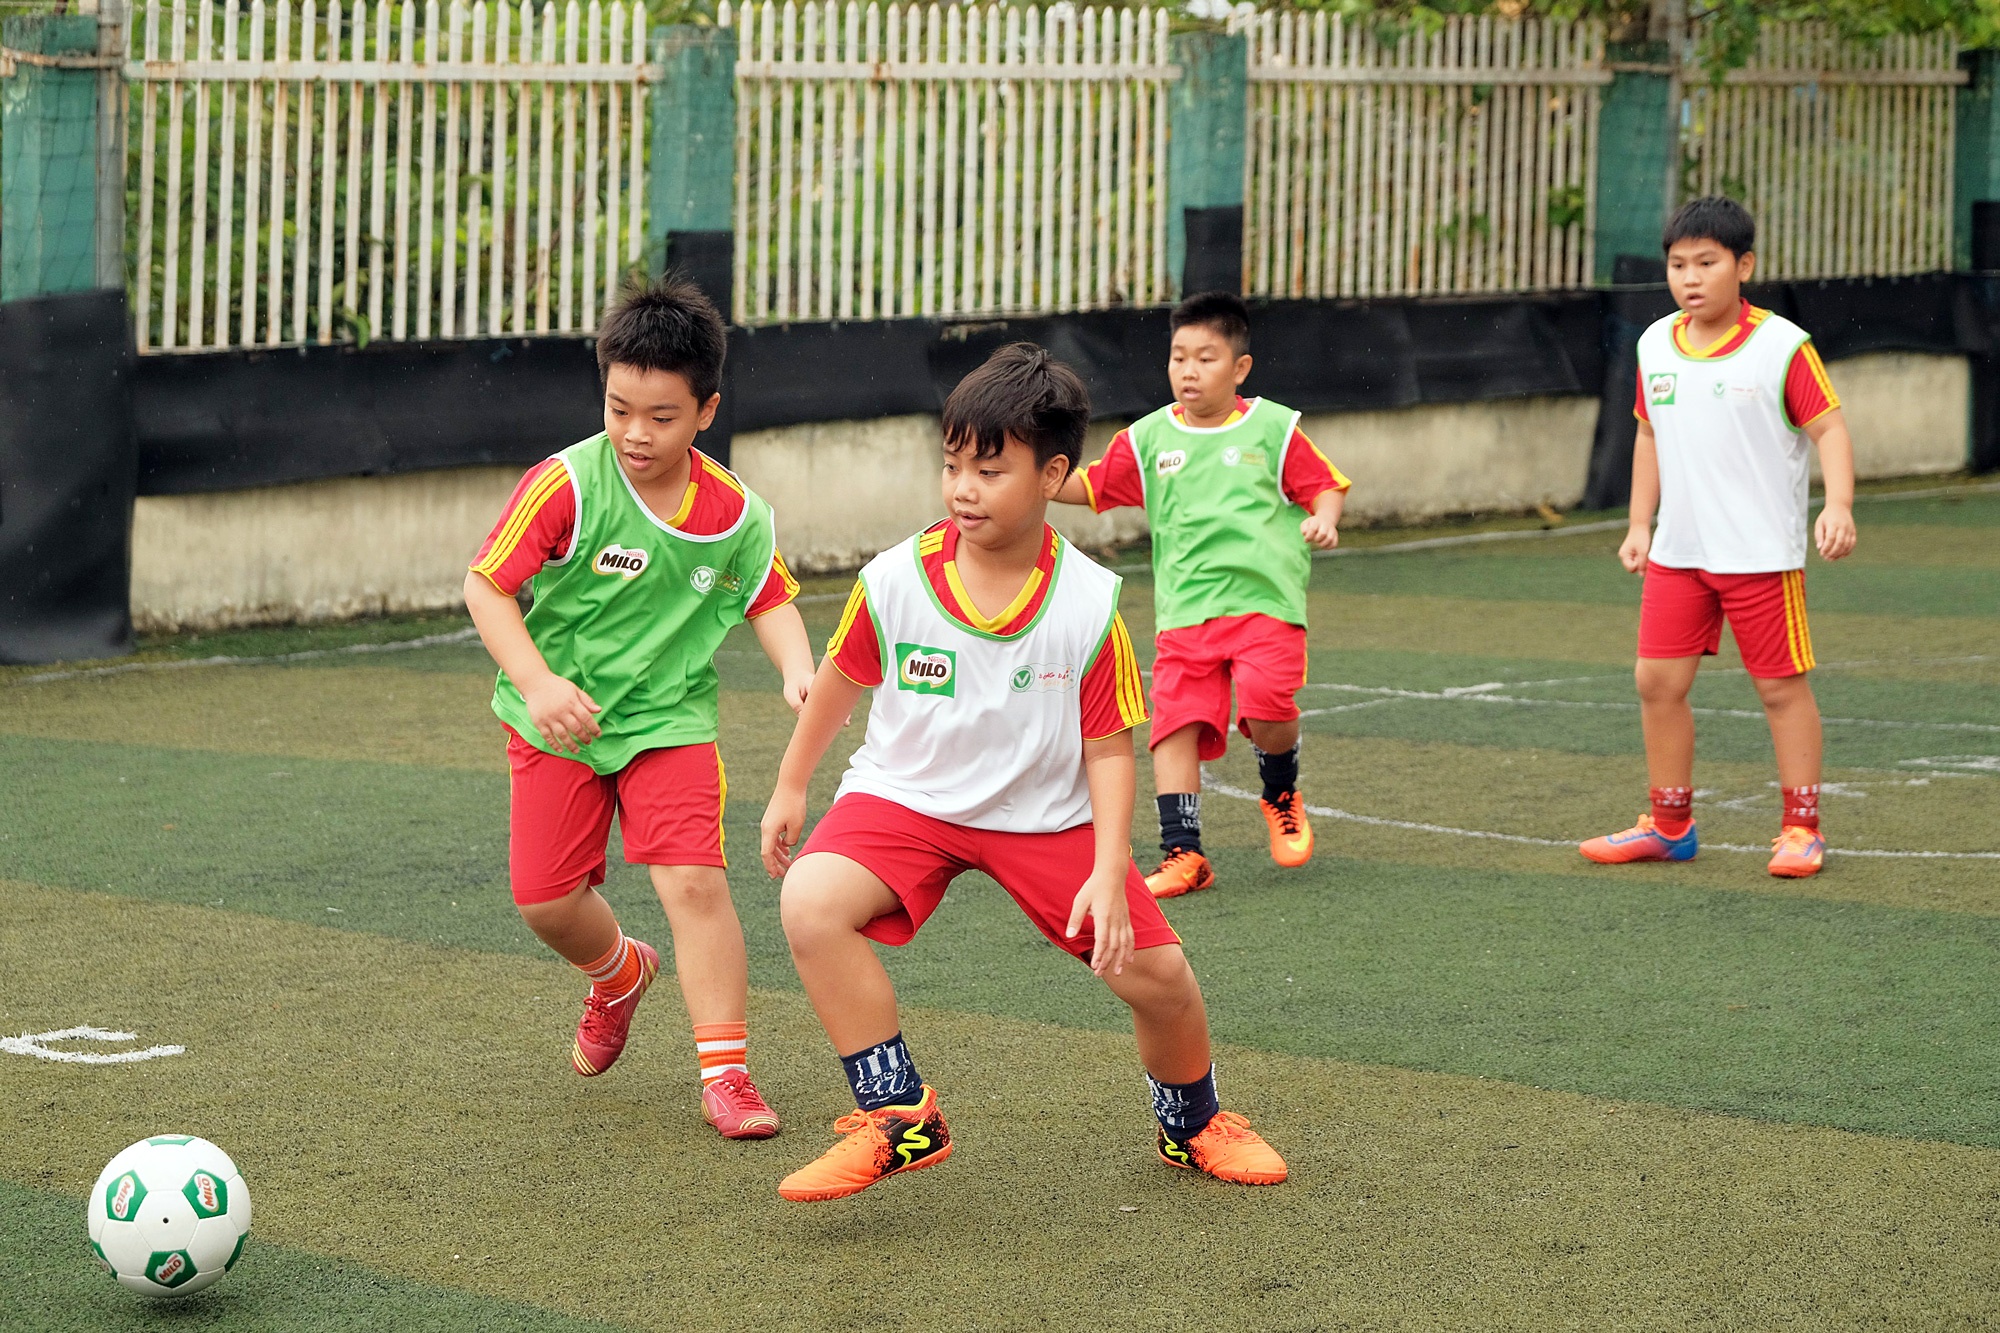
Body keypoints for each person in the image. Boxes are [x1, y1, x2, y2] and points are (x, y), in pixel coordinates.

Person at [759, 343, 1289, 1202]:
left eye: (990, 469)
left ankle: (1193, 1122)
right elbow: (839, 682)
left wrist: (1112, 870)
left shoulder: (1086, 604)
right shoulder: (893, 579)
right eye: (952, 464)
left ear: (1052, 476)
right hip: (906, 798)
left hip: (1045, 815)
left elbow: (1111, 745)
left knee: (1160, 977)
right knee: (811, 903)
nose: (964, 487)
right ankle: (900, 1117)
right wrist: (791, 785)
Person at [464, 277, 815, 1138]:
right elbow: (487, 586)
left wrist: (798, 669)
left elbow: (767, 596)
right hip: (557, 723)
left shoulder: (736, 512)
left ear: (707, 410)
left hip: (669, 722)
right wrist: (541, 684)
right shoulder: (565, 485)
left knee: (694, 882)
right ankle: (618, 972)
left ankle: (726, 1073)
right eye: (620, 408)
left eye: (661, 415)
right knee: (545, 901)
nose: (635, 433)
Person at [1583, 197, 1856, 878]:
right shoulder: (1653, 344)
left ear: (1745, 266)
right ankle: (1671, 824)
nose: (1691, 278)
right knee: (1656, 682)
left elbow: (1830, 427)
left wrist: (1840, 505)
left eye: (1707, 262)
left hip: (1761, 555)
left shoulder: (1782, 346)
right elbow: (1648, 435)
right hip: (1680, 553)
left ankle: (1801, 828)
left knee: (1779, 688)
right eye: (1678, 265)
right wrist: (1640, 524)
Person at [1055, 291, 1349, 899]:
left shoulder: (1273, 429)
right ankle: (1184, 853)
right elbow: (1094, 486)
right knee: (1174, 726)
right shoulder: (1151, 437)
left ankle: (1280, 790)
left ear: (1239, 367)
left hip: (1266, 605)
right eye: (1178, 357)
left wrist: (1325, 516)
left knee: (1269, 706)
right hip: (1185, 613)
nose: (1188, 371)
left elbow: (1325, 484)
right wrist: (1036, 478)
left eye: (1205, 358)